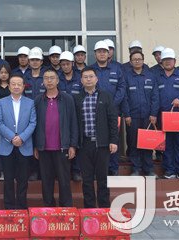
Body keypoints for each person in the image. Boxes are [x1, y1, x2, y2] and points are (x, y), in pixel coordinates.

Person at [74, 67, 119, 208]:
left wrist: (113, 141)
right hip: (84, 144)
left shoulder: (105, 96)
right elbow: (73, 122)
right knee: (87, 180)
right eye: (85, 77)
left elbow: (112, 120)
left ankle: (104, 208)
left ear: (96, 79)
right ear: (81, 80)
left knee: (103, 179)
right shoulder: (76, 98)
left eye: (91, 76)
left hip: (102, 144)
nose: (88, 79)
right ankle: (89, 209)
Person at [33, 69, 78, 207]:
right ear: (43, 81)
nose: (49, 80)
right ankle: (48, 208)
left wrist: (72, 145)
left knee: (64, 181)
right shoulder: (38, 100)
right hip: (44, 147)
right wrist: (36, 146)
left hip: (62, 147)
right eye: (46, 78)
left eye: (52, 78)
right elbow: (34, 124)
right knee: (46, 181)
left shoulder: (67, 99)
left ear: (58, 80)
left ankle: (66, 208)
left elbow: (73, 122)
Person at [0, 73, 36, 209]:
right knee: (8, 180)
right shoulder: (1, 102)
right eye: (13, 84)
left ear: (23, 86)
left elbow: (32, 123)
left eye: (19, 84)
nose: (16, 86)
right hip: (7, 145)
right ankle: (9, 207)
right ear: (9, 86)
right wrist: (12, 137)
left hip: (25, 145)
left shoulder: (30, 103)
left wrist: (22, 137)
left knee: (23, 180)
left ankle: (22, 207)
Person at [156, 48, 179, 180]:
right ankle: (169, 170)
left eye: (170, 60)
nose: (167, 62)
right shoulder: (157, 77)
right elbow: (154, 96)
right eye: (165, 60)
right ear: (161, 62)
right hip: (163, 116)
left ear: (175, 61)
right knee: (167, 145)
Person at [90, 40, 125, 176]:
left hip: (113, 111)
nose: (102, 54)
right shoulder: (90, 70)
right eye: (99, 52)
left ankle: (113, 168)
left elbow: (122, 88)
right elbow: (87, 88)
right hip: (95, 111)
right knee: (98, 140)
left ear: (108, 53)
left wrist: (112, 104)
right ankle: (99, 169)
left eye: (104, 51)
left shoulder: (117, 69)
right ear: (95, 54)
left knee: (113, 138)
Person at [121, 51, 159, 177]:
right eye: (134, 59)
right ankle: (136, 169)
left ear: (143, 60)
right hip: (133, 116)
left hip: (148, 116)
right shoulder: (126, 77)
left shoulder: (150, 76)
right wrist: (127, 115)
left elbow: (155, 97)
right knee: (133, 143)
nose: (137, 61)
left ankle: (149, 169)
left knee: (147, 143)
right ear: (130, 62)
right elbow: (124, 98)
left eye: (139, 59)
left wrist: (154, 114)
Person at [58, 50, 83, 182]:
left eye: (68, 64)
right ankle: (63, 171)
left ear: (72, 63)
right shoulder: (57, 78)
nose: (65, 66)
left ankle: (76, 170)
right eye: (63, 64)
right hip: (61, 114)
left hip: (78, 114)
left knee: (76, 141)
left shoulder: (80, 78)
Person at [23, 47, 46, 181]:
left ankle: (43, 171)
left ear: (41, 61)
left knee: (43, 142)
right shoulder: (24, 78)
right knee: (30, 143)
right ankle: (33, 171)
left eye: (37, 60)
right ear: (29, 61)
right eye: (32, 60)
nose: (35, 62)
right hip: (28, 116)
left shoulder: (47, 77)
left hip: (44, 114)